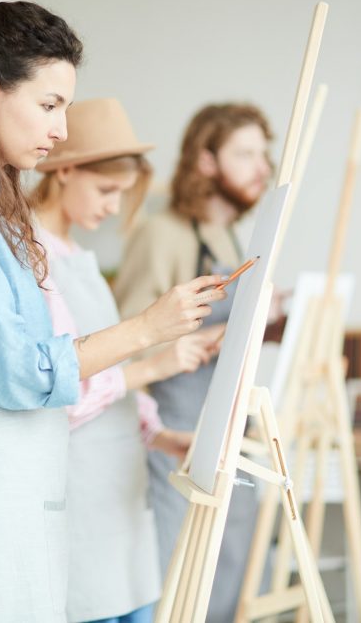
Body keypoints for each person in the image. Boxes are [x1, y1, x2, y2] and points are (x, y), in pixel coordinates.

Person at [0, 0, 227, 622]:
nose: (61, 129)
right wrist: (147, 329)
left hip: (17, 483)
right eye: (49, 105)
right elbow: (22, 373)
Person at [30, 98, 220, 623]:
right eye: (107, 190)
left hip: (122, 497)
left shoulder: (82, 259)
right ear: (65, 169)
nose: (114, 208)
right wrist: (156, 365)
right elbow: (57, 392)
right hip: (79, 499)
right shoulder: (28, 256)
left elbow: (112, 383)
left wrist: (160, 436)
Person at [113, 103, 275, 622]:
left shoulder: (232, 239)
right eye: (245, 153)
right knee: (178, 585)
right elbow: (126, 341)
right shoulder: (163, 234)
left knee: (230, 577)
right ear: (205, 161)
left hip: (226, 427)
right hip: (175, 435)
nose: (262, 167)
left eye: (263, 153)